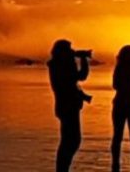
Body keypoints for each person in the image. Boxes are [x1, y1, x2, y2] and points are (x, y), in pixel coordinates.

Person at [47, 39, 91, 172]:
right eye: (69, 49)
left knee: (70, 140)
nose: (72, 51)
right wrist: (83, 59)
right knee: (71, 141)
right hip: (67, 107)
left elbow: (77, 79)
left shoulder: (59, 64)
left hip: (66, 106)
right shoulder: (59, 65)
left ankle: (63, 168)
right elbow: (80, 76)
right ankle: (62, 169)